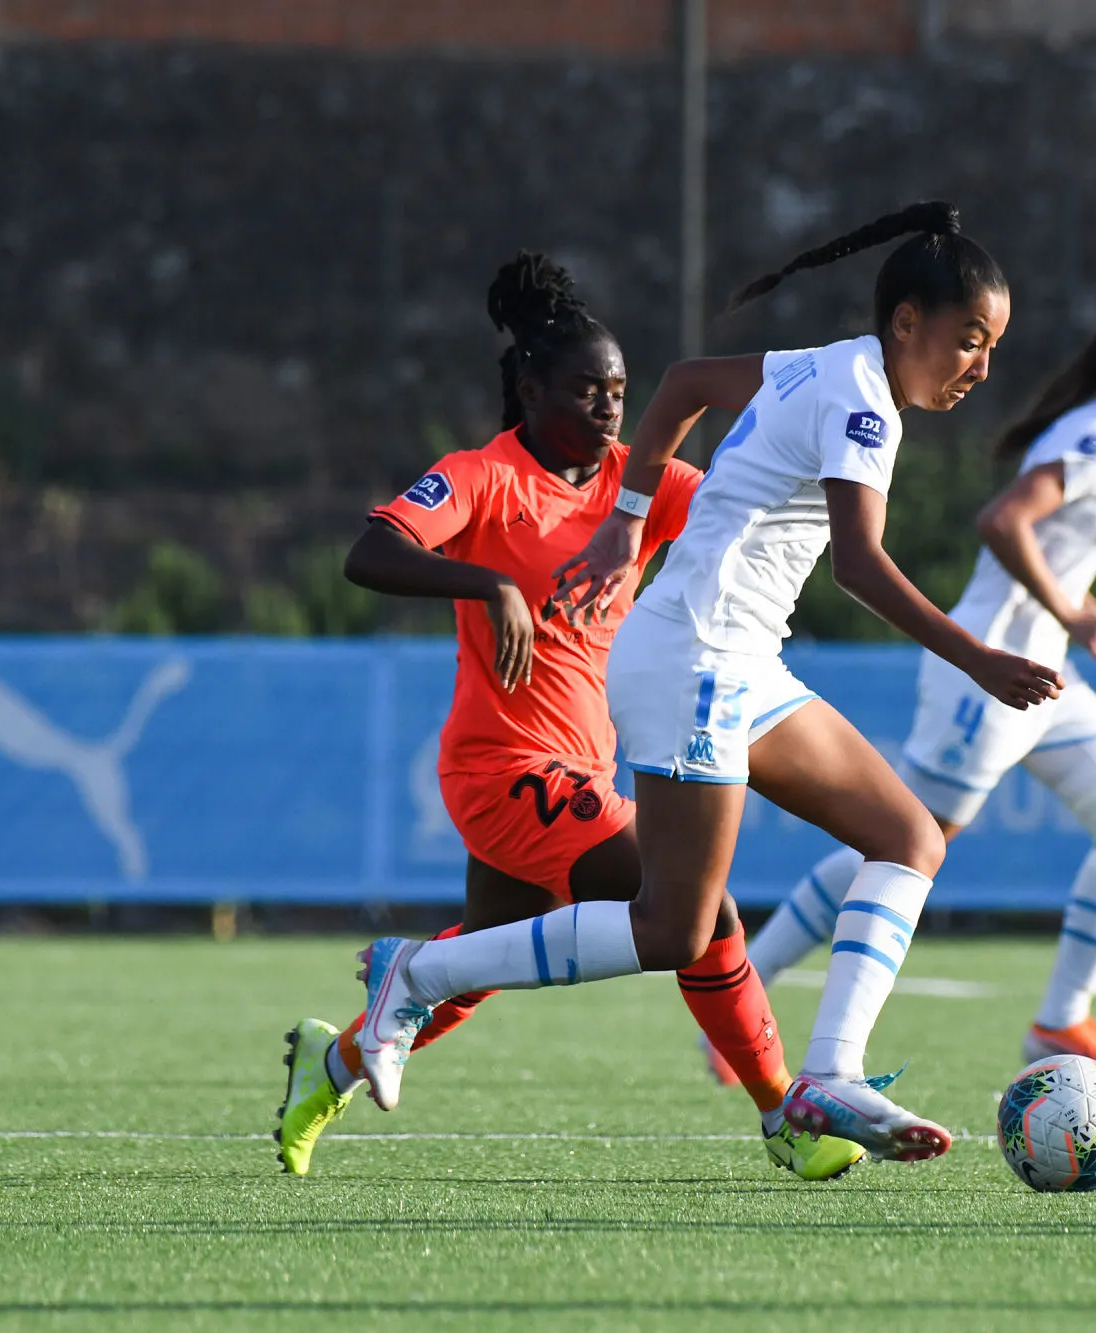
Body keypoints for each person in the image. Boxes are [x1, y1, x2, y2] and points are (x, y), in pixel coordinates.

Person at [350, 202, 1060, 1162]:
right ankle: (420, 973)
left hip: (734, 659)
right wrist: (978, 658)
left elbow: (682, 383)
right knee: (677, 928)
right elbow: (859, 564)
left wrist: (626, 521)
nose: (979, 366)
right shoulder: (863, 403)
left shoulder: (826, 362)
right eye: (969, 340)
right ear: (906, 323)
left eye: (992, 346)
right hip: (695, 661)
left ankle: (829, 1074)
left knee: (907, 838)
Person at [274, 252, 863, 1182]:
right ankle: (782, 1109)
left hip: (583, 770)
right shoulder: (483, 477)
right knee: (698, 915)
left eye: (620, 390)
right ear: (529, 387)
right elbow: (369, 553)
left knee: (476, 967)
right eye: (585, 389)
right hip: (503, 771)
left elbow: (733, 514)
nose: (607, 408)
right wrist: (490, 580)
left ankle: (332, 1062)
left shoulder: (638, 481)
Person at [739, 310, 1096, 1082]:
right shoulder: (1092, 438)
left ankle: (1060, 1022)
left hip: (1045, 677)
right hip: (986, 677)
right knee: (899, 843)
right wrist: (1078, 612)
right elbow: (1003, 520)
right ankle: (746, 992)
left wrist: (1091, 620)